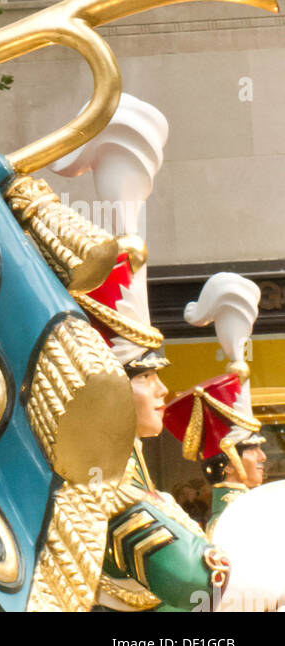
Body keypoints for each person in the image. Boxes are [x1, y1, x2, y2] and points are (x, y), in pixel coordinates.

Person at [51, 96, 231, 611]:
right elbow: (200, 584)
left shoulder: (125, 483)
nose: (162, 389)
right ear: (108, 384)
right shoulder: (107, 490)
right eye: (146, 375)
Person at [163, 272, 267, 537]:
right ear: (230, 462)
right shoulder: (235, 520)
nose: (262, 457)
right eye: (253, 449)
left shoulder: (245, 511)